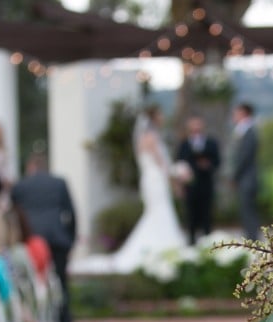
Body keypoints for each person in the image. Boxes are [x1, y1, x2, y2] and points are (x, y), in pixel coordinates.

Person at [71, 105, 187, 276]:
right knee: (158, 212)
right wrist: (176, 174)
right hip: (155, 180)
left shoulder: (144, 138)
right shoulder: (151, 137)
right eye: (160, 114)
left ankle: (158, 245)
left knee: (157, 213)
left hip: (150, 180)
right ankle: (157, 247)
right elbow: (162, 163)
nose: (163, 117)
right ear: (154, 117)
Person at [11, 151, 77, 322]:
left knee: (30, 284)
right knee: (60, 284)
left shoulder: (21, 186)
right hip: (57, 238)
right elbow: (71, 213)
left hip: (31, 240)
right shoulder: (59, 183)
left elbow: (14, 216)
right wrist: (69, 239)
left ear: (30, 167)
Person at [176, 116, 220, 244]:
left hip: (206, 184)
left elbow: (217, 161)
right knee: (191, 216)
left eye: (198, 125)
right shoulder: (184, 144)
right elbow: (180, 163)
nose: (196, 128)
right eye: (193, 126)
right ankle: (191, 242)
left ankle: (208, 242)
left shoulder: (211, 143)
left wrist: (208, 165)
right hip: (190, 186)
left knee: (207, 215)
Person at [231, 102, 260, 240]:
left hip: (247, 178)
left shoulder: (249, 132)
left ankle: (253, 239)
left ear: (243, 113)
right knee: (246, 209)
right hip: (245, 178)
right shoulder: (243, 131)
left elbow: (244, 157)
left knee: (248, 210)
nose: (234, 116)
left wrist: (235, 176)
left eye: (236, 113)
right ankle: (251, 237)